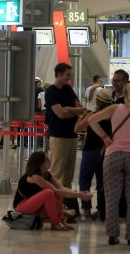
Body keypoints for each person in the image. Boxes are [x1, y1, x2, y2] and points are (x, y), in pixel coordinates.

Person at [86, 82, 130, 246]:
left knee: (112, 197)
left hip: (113, 155)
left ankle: (112, 235)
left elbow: (91, 120)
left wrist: (104, 137)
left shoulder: (114, 109)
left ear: (123, 95)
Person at [13, 152, 93, 231]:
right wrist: (78, 195)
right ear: (39, 164)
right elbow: (56, 190)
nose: (49, 160)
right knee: (49, 192)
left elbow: (60, 187)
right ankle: (55, 223)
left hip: (34, 204)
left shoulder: (46, 174)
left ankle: (61, 221)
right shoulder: (35, 177)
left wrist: (79, 193)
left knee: (57, 193)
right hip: (21, 206)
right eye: (46, 159)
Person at [45, 63, 85, 210]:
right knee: (57, 172)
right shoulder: (51, 92)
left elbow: (81, 109)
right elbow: (60, 114)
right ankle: (52, 203)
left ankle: (65, 203)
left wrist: (69, 109)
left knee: (68, 173)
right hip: (59, 136)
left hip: (72, 135)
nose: (70, 77)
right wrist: (71, 111)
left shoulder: (68, 89)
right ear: (59, 74)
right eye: (68, 74)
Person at [74, 89, 113, 220]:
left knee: (85, 181)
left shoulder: (93, 116)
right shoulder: (112, 116)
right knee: (103, 183)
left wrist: (85, 115)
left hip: (90, 151)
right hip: (106, 151)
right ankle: (102, 211)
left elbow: (77, 129)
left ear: (98, 100)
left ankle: (86, 211)